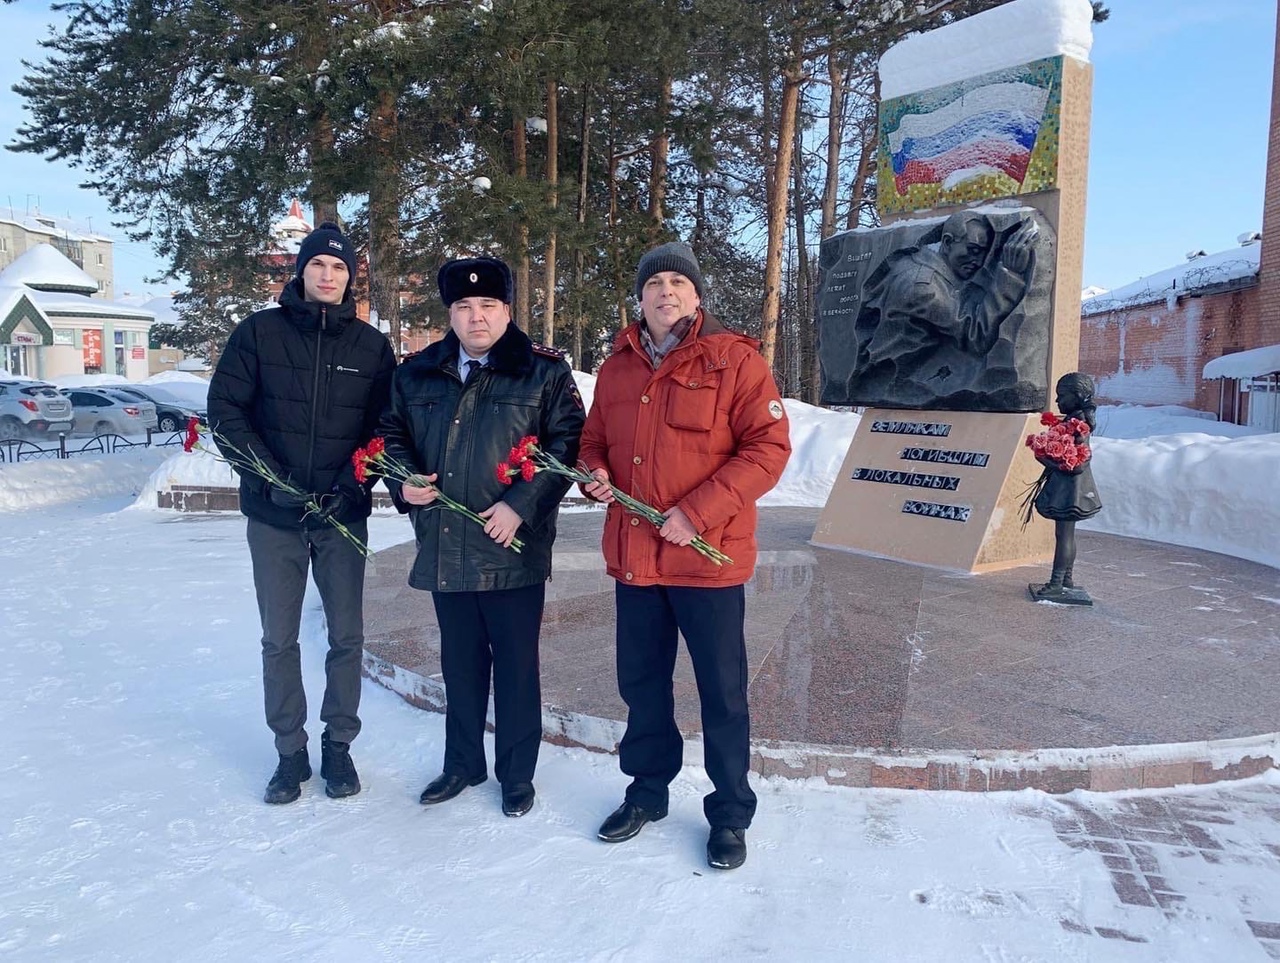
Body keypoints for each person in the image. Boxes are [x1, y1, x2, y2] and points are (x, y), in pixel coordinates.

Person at [579, 241, 791, 870]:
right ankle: (646, 792)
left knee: (722, 693)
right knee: (641, 686)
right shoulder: (618, 366)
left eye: (677, 282)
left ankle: (729, 813)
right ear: (639, 297)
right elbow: (593, 440)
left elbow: (767, 450)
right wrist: (592, 472)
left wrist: (695, 513)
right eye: (654, 283)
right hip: (635, 561)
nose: (665, 292)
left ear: (697, 296)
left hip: (707, 561)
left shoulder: (736, 362)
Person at [378, 256, 584, 818]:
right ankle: (462, 763)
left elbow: (567, 446)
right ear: (451, 313)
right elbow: (390, 434)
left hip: (511, 546)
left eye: (488, 306)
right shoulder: (417, 372)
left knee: (516, 667)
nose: (476, 317)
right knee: (460, 664)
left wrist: (520, 506)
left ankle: (516, 776)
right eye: (464, 307)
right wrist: (405, 482)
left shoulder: (544, 372)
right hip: (446, 541)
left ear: (508, 310)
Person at [208, 220, 396, 805]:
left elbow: (385, 428)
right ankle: (290, 754)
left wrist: (353, 482)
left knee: (347, 635)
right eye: (319, 264)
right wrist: (271, 479)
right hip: (274, 517)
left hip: (342, 515)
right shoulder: (259, 334)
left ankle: (338, 746)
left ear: (351, 278)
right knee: (279, 638)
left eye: (339, 267)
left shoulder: (370, 347)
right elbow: (227, 412)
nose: (328, 274)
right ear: (302, 269)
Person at [852, 210, 1038, 408]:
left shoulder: (915, 262)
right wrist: (1010, 274)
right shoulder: (923, 288)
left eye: (984, 253)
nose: (979, 261)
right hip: (898, 379)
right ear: (948, 243)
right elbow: (975, 336)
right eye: (973, 250)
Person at [1030, 372, 1103, 602]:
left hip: (1071, 490)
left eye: (1062, 396)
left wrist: (1044, 458)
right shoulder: (1075, 420)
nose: (1058, 402)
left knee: (1065, 535)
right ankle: (1066, 579)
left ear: (1077, 396)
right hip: (1068, 488)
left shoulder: (1079, 425)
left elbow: (1078, 464)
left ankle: (1056, 582)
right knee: (1065, 534)